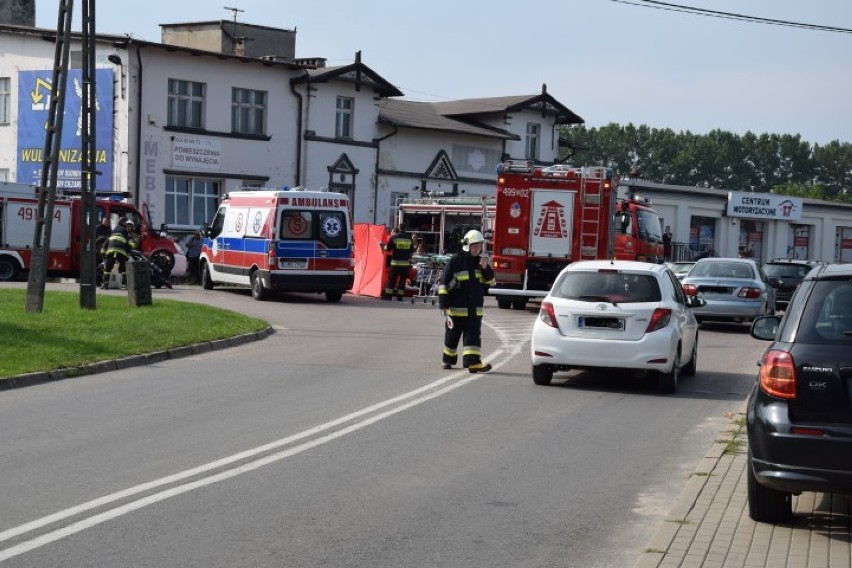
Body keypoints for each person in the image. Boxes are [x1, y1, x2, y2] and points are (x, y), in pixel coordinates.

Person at [438, 229, 495, 373]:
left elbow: (491, 282)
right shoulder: (455, 261)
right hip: (456, 309)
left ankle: (473, 363)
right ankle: (448, 360)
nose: (477, 248)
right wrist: (444, 306)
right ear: (467, 245)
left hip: (474, 310)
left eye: (479, 245)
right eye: (474, 245)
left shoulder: (481, 263)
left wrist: (485, 268)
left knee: (473, 336)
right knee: (452, 337)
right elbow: (444, 284)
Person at [100, 217, 136, 288]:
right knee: (123, 269)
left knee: (107, 269)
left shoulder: (112, 234)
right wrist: (128, 255)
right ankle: (127, 285)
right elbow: (128, 245)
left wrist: (104, 255)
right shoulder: (125, 232)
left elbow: (104, 246)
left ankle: (105, 284)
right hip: (121, 252)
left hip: (111, 251)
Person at [383, 226, 413, 301]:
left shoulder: (395, 237)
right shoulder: (409, 238)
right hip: (405, 264)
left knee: (392, 279)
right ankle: (400, 296)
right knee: (402, 280)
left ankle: (388, 295)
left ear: (399, 229)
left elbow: (388, 248)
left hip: (395, 263)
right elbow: (411, 250)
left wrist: (383, 246)